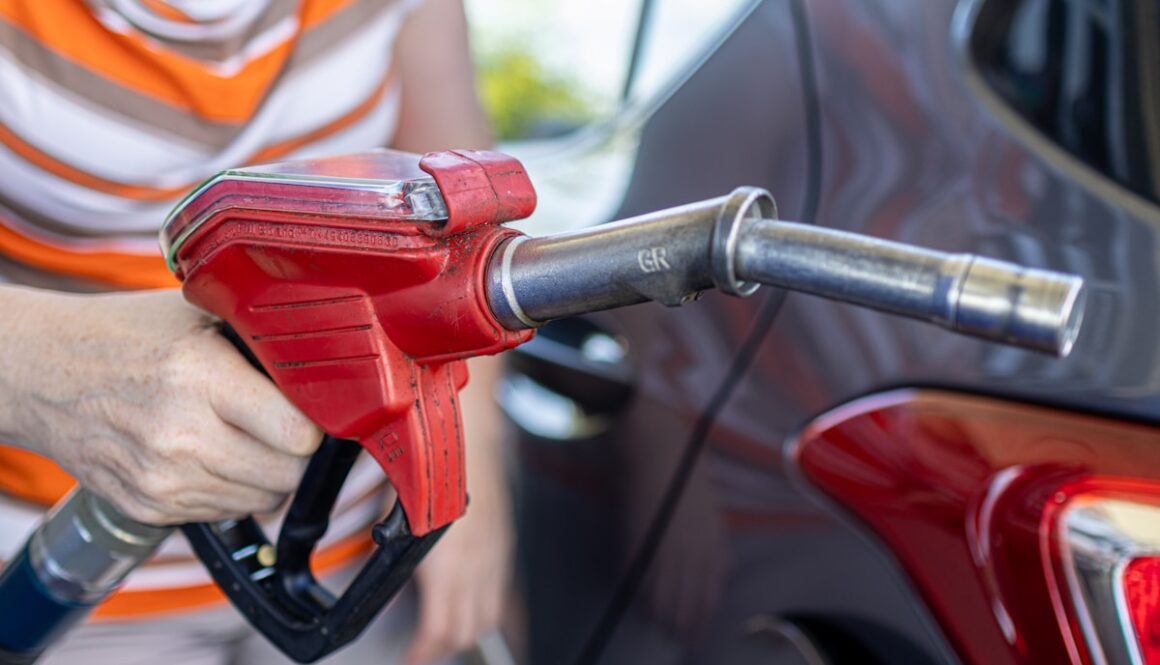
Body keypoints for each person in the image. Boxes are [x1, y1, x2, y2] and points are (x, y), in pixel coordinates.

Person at [0, 0, 513, 663]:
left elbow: (460, 209)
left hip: (356, 558)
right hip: (70, 585)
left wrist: (469, 475)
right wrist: (45, 366)